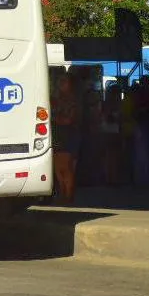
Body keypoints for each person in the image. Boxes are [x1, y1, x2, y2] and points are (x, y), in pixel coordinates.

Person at [51, 70, 81, 204]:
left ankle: (68, 195)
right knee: (58, 167)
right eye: (59, 82)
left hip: (68, 135)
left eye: (64, 82)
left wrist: (55, 118)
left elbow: (69, 119)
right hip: (58, 135)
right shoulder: (56, 99)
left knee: (66, 167)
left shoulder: (72, 100)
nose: (60, 84)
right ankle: (63, 193)